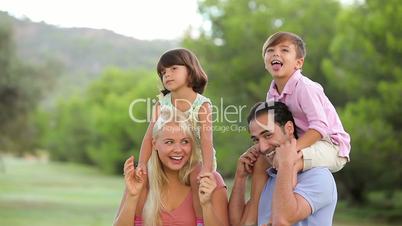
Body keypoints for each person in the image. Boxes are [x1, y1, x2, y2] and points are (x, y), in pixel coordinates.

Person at [137, 48, 217, 221]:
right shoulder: (162, 103)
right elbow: (149, 136)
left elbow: (206, 140)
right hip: (166, 159)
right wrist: (142, 163)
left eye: (174, 69)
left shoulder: (202, 105)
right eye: (163, 72)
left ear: (190, 70)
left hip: (197, 159)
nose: (167, 75)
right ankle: (141, 219)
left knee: (197, 179)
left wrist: (207, 169)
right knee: (145, 180)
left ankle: (200, 220)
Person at [114, 108, 229, 226]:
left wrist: (207, 205)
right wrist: (132, 197)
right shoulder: (140, 180)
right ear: (154, 144)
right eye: (169, 142)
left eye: (185, 141)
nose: (178, 150)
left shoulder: (209, 182)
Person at [229, 101, 337, 226]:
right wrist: (240, 177)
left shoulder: (319, 177)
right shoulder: (268, 177)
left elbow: (282, 220)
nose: (262, 148)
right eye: (256, 140)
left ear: (289, 129)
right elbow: (240, 223)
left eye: (268, 135)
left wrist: (286, 162)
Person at [263, 31, 350, 181]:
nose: (276, 54)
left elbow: (319, 128)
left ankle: (289, 203)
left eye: (284, 50)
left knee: (289, 161)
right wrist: (262, 148)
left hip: (331, 146)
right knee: (262, 159)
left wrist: (290, 150)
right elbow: (276, 130)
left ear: (299, 63)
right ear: (265, 62)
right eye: (270, 50)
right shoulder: (272, 94)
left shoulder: (305, 87)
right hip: (305, 143)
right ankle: (261, 202)